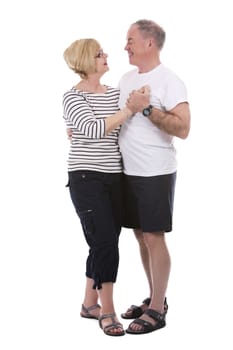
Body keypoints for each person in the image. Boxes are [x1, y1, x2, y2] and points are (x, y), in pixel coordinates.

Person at [118, 19, 191, 334]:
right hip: (127, 171)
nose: (125, 46)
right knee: (139, 235)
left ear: (149, 43)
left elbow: (184, 128)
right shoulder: (125, 78)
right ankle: (154, 299)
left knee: (153, 237)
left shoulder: (169, 81)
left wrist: (148, 110)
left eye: (131, 39)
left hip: (155, 172)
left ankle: (158, 309)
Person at [62, 38, 137, 336]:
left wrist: (129, 109)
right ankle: (108, 311)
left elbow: (120, 125)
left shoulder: (116, 95)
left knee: (102, 243)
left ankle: (88, 303)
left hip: (115, 177)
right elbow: (93, 130)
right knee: (106, 243)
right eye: (98, 54)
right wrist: (127, 111)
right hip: (86, 178)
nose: (106, 55)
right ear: (84, 61)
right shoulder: (72, 97)